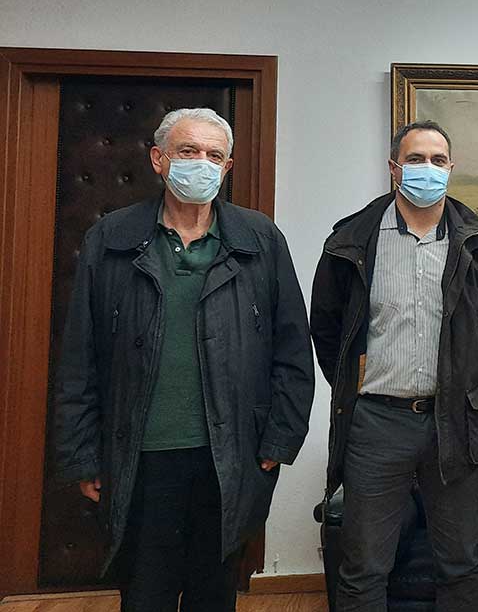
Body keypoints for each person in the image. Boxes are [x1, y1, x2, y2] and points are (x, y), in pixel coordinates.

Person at [53, 107, 314, 611]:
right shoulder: (111, 238)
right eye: (188, 151)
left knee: (212, 595)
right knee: (144, 594)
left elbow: (292, 352)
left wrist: (279, 441)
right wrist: (81, 454)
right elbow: (80, 358)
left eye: (214, 155)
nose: (202, 163)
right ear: (158, 159)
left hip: (228, 457)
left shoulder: (260, 240)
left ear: (228, 167)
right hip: (140, 458)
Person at [310, 120, 478, 611]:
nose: (428, 169)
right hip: (377, 423)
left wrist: (460, 378)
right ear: (394, 168)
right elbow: (328, 330)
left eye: (438, 160)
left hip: (457, 422)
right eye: (416, 159)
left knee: (460, 563)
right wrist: (355, 389)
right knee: (364, 568)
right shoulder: (352, 240)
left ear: (451, 167)